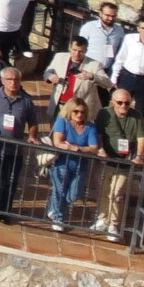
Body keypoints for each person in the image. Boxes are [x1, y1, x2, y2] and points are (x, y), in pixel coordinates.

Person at [0, 66, 40, 222]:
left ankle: (5, 211)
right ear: (3, 81)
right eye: (10, 80)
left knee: (9, 181)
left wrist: (32, 135)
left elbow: (33, 122)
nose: (13, 83)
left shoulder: (26, 101)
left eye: (16, 80)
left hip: (14, 149)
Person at [94, 88, 144, 236]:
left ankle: (114, 224)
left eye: (127, 103)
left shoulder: (136, 116)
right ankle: (102, 218)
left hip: (124, 162)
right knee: (104, 191)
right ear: (113, 102)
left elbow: (141, 138)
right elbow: (97, 133)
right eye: (120, 102)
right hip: (107, 160)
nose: (124, 106)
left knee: (117, 194)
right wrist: (100, 149)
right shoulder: (104, 113)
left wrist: (140, 156)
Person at [45, 95, 99, 232]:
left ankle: (53, 207)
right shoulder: (62, 122)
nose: (79, 114)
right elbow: (58, 142)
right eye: (76, 111)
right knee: (60, 191)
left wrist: (76, 148)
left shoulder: (90, 127)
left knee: (73, 195)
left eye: (82, 112)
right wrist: (69, 147)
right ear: (70, 111)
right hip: (62, 163)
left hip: (80, 165)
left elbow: (94, 148)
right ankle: (59, 218)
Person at [76, 0, 128, 77]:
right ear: (100, 14)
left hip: (107, 71)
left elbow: (121, 51)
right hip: (88, 69)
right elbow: (79, 47)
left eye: (113, 16)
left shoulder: (119, 30)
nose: (110, 18)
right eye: (107, 15)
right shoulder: (89, 27)